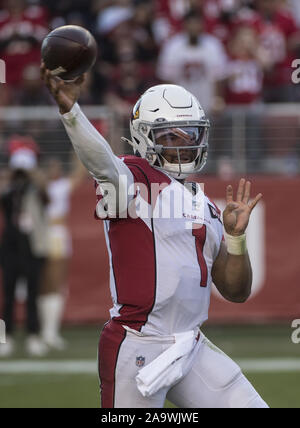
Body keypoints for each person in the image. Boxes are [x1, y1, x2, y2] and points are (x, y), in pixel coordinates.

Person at [41, 64, 268, 408]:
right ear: (145, 137)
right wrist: (71, 112)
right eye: (171, 136)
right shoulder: (133, 179)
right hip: (138, 344)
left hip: (189, 345)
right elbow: (100, 163)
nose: (185, 145)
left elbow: (236, 292)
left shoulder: (203, 202)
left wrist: (235, 239)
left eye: (190, 134)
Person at [0, 138, 49, 357]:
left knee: (32, 294)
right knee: (7, 294)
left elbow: (46, 196)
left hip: (32, 246)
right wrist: (10, 177)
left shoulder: (36, 188)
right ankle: (5, 337)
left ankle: (34, 336)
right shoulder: (9, 188)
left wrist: (33, 175)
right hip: (10, 246)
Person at [38, 156, 86, 350]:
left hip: (56, 235)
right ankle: (46, 331)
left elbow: (79, 173)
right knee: (47, 284)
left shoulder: (59, 186)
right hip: (48, 234)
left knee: (55, 284)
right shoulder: (44, 188)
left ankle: (49, 331)